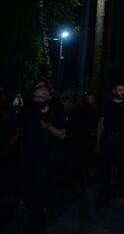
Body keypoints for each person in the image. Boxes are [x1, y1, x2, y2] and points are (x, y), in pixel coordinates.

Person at [11, 85, 66, 232]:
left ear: (48, 97)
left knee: (40, 193)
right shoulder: (28, 111)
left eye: (41, 97)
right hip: (26, 158)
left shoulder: (56, 112)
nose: (38, 100)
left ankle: (36, 222)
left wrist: (49, 127)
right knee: (25, 189)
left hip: (46, 161)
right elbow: (19, 130)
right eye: (35, 97)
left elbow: (62, 134)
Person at [96, 83, 124, 204]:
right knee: (105, 167)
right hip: (108, 138)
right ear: (114, 91)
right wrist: (98, 142)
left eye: (123, 90)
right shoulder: (107, 104)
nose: (122, 92)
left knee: (122, 166)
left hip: (122, 139)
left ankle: (120, 187)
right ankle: (104, 192)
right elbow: (101, 123)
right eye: (120, 90)